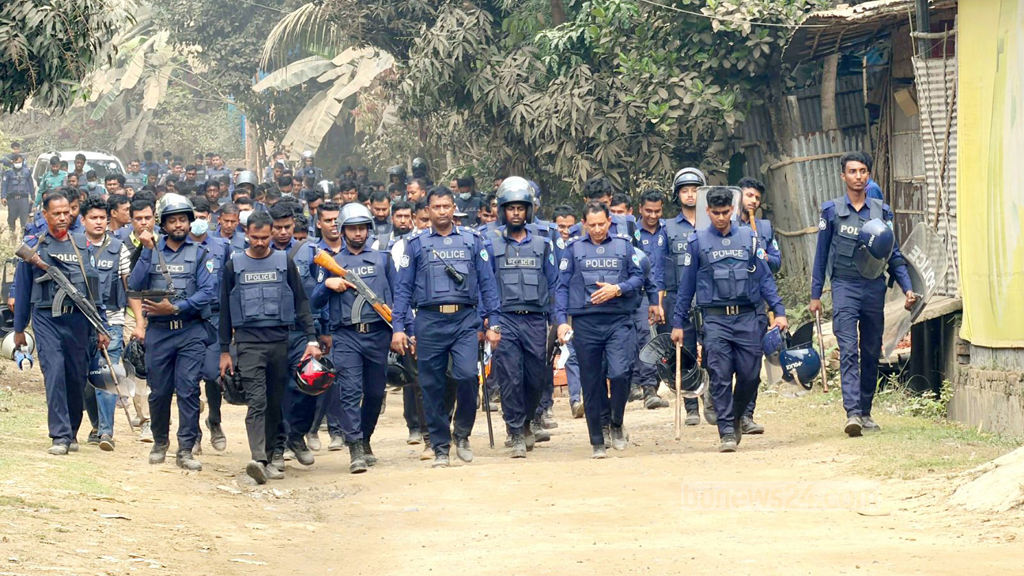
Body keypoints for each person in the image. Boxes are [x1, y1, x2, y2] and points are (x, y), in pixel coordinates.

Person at [391, 186, 502, 468]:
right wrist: (398, 327)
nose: (441, 211)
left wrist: (494, 323)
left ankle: (462, 434)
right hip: (429, 321)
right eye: (436, 207)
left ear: (454, 209)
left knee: (466, 376)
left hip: (465, 320)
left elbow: (489, 284)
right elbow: (402, 290)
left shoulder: (473, 240)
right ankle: (440, 446)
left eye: (446, 206)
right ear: (427, 211)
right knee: (431, 385)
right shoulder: (415, 245)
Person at [671, 187, 787, 452]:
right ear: (708, 211)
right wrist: (678, 324)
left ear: (733, 210)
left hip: (748, 318)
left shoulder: (751, 238)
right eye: (716, 213)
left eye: (726, 212)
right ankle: (726, 431)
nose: (721, 218)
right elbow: (686, 287)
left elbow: (765, 279)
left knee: (749, 376)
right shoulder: (697, 241)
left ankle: (735, 416)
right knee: (720, 375)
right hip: (715, 321)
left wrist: (779, 312)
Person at [810, 151, 918, 437]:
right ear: (843, 176)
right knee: (847, 349)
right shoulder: (831, 212)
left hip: (873, 288)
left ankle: (866, 411)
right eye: (853, 171)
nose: (858, 176)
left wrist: (907, 288)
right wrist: (815, 294)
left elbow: (893, 255)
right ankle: (853, 413)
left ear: (868, 175)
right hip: (844, 287)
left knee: (871, 351)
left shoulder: (882, 212)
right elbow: (821, 255)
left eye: (863, 171)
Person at [218, 211, 319, 484]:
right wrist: (225, 350)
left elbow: (301, 302)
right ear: (246, 234)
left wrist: (311, 338)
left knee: (275, 402)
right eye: (255, 237)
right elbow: (225, 310)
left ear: (272, 233)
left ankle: (276, 453)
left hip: (279, 342)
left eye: (265, 237)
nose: (260, 242)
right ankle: (258, 458)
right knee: (257, 401)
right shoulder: (233, 265)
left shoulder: (284, 262)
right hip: (249, 343)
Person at [13, 190, 111, 455]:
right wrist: (19, 329)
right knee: (54, 373)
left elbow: (94, 289)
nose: (62, 217)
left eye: (66, 212)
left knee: (76, 376)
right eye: (55, 213)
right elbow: (22, 290)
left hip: (79, 320)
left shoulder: (82, 244)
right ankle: (59, 435)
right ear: (45, 215)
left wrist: (101, 326)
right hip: (47, 318)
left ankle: (73, 430)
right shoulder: (34, 245)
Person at [127, 194, 217, 471]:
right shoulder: (151, 251)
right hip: (159, 333)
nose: (178, 224)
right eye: (172, 220)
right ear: (163, 225)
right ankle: (160, 442)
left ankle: (186, 449)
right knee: (160, 392)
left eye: (182, 219)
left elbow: (207, 293)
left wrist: (176, 308)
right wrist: (145, 250)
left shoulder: (202, 254)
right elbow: (134, 284)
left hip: (191, 332)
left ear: (190, 222)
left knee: (189, 391)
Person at [555, 201, 645, 458]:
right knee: (591, 382)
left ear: (609, 222)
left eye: (601, 224)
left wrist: (618, 289)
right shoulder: (573, 250)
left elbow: (639, 277)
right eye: (591, 225)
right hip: (586, 323)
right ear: (584, 224)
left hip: (618, 320)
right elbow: (560, 287)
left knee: (619, 373)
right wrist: (562, 321)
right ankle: (597, 438)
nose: (597, 229)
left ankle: (616, 421)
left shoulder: (624, 246)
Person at [311, 203, 394, 473]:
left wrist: (402, 329)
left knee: (374, 392)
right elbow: (314, 300)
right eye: (352, 229)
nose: (358, 233)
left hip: (378, 333)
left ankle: (366, 437)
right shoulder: (333, 263)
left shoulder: (383, 258)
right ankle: (355, 446)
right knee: (349, 392)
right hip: (346, 335)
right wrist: (327, 285)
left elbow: (396, 296)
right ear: (343, 231)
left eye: (362, 228)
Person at [486, 178, 559, 458]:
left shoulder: (543, 244)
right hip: (504, 320)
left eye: (520, 208)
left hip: (535, 320)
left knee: (535, 377)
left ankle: (528, 420)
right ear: (502, 211)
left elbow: (554, 284)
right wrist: (487, 321)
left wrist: (558, 320)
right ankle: (515, 430)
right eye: (510, 208)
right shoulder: (489, 244)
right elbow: (485, 284)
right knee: (510, 377)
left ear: (528, 211)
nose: (515, 213)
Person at [264, 202, 322, 470]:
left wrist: (321, 333)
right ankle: (276, 447)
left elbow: (317, 295)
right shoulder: (256, 253)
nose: (283, 232)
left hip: (301, 331)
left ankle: (297, 436)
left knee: (308, 385)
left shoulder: (309, 253)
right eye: (277, 227)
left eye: (287, 227)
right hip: (268, 333)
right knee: (273, 391)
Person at [80, 196, 137, 451]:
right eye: (94, 217)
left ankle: (106, 432)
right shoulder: (73, 246)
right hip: (79, 323)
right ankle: (95, 424)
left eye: (103, 217)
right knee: (85, 380)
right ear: (83, 220)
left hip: (111, 321)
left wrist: (139, 322)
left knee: (106, 374)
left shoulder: (118, 248)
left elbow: (129, 287)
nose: (99, 222)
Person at [659, 167, 708, 426]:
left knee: (712, 350)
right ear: (677, 195)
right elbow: (658, 267)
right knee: (685, 352)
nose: (690, 196)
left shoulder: (713, 222)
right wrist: (659, 302)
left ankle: (710, 397)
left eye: (695, 190)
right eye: (685, 191)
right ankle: (691, 406)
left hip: (710, 296)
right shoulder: (667, 228)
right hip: (679, 297)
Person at [733, 177, 782, 434]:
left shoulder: (764, 228)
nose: (752, 201)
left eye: (756, 198)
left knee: (751, 364)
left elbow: (776, 262)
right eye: (748, 195)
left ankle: (746, 415)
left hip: (756, 304)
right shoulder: (725, 225)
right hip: (728, 304)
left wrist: (763, 256)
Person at [188, 199, 231, 454]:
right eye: (194, 216)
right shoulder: (178, 247)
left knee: (214, 375)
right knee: (189, 377)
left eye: (203, 216)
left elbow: (228, 285)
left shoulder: (222, 247)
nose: (198, 220)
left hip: (215, 317)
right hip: (189, 317)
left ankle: (214, 419)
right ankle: (194, 433)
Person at [630, 189, 670, 409]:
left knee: (665, 340)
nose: (653, 215)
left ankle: (657, 383)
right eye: (648, 211)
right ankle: (647, 387)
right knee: (644, 335)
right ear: (640, 209)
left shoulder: (668, 231)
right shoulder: (631, 232)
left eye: (657, 211)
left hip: (665, 293)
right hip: (639, 292)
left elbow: (665, 269)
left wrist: (660, 300)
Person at [2, 153, 35, 238]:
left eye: (20, 162)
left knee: (24, 220)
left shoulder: (27, 172)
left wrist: (33, 197)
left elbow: (31, 185)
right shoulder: (8, 173)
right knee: (11, 218)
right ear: (13, 162)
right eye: (17, 162)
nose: (18, 164)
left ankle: (24, 237)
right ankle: (12, 235)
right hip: (12, 199)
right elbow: (4, 186)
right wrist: (3, 197)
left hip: (23, 199)